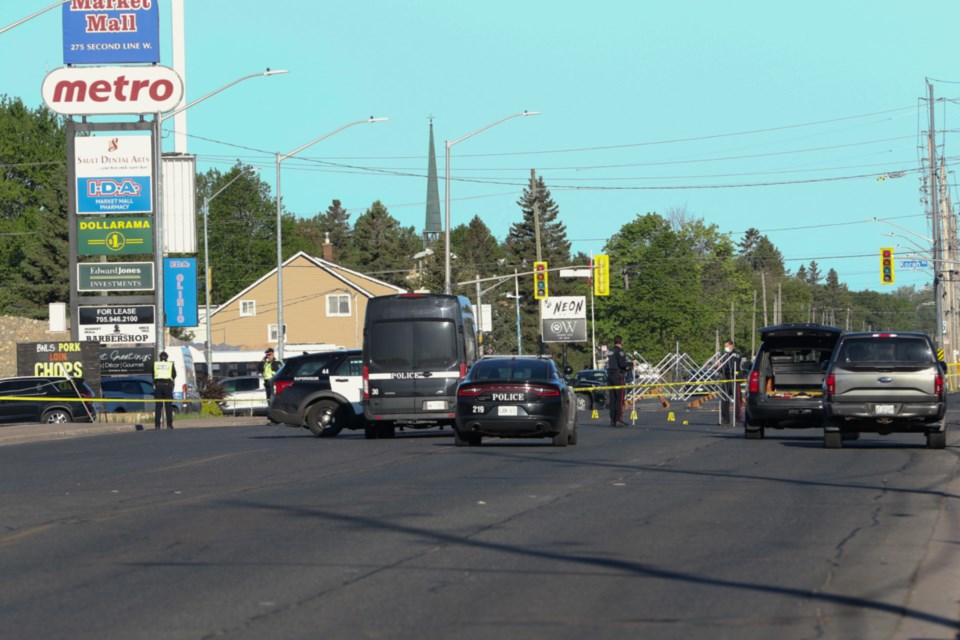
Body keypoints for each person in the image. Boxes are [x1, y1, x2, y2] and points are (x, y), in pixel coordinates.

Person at [606, 335, 632, 427]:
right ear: (621, 342)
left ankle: (613, 420)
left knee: (612, 399)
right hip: (618, 376)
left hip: (610, 376)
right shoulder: (620, 351)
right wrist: (632, 363)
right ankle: (618, 419)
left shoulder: (611, 351)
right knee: (619, 398)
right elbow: (623, 364)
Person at [153, 350, 177, 429]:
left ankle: (157, 425)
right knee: (168, 406)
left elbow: (153, 375)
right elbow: (174, 375)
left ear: (160, 358)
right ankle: (169, 425)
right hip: (167, 387)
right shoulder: (170, 364)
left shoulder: (155, 364)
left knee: (158, 407)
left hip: (158, 387)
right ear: (167, 358)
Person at [719, 339, 740, 425]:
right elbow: (721, 367)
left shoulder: (736, 355)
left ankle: (738, 419)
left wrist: (724, 366)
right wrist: (719, 367)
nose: (725, 348)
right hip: (726, 379)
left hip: (734, 379)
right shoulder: (724, 356)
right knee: (724, 399)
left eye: (727, 346)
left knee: (737, 400)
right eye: (725, 346)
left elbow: (733, 365)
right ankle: (725, 419)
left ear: (731, 346)